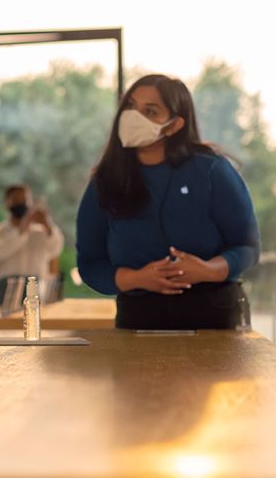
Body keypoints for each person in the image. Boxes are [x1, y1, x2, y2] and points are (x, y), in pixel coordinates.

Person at [76, 74, 260, 330]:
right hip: (137, 320)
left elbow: (247, 248)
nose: (133, 116)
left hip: (214, 319)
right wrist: (138, 278)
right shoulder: (105, 182)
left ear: (174, 125)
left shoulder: (212, 171)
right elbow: (90, 263)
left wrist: (208, 270)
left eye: (150, 111)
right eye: (130, 106)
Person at [0, 184, 64, 305]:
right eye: (16, 200)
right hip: (6, 288)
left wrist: (48, 224)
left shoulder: (41, 232)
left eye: (24, 200)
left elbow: (56, 249)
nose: (21, 204)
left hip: (37, 287)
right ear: (6, 203)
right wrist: (22, 230)